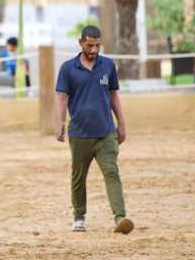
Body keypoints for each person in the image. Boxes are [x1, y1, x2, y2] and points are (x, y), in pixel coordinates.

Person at [55, 25, 133, 234]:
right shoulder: (67, 68)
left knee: (111, 171)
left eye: (98, 45)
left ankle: (120, 217)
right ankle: (79, 217)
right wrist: (60, 124)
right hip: (79, 133)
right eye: (90, 45)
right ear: (80, 43)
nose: (94, 49)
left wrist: (122, 123)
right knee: (78, 176)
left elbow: (114, 95)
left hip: (106, 132)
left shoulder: (108, 66)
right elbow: (62, 98)